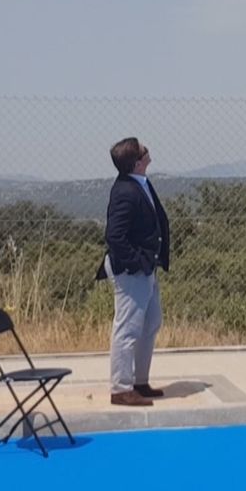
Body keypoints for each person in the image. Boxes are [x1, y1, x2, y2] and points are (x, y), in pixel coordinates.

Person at [96, 137, 171, 407]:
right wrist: (137, 262)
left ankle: (140, 381)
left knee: (151, 322)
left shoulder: (141, 183)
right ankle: (121, 388)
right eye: (143, 150)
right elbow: (114, 236)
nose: (148, 151)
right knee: (127, 328)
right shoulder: (125, 191)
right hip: (132, 271)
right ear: (137, 162)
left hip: (145, 268)